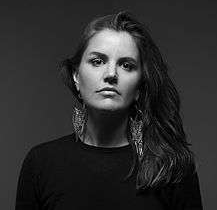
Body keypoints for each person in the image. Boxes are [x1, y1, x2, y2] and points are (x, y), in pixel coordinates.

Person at [15, 11, 203, 210]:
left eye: (126, 65)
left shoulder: (172, 167)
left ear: (139, 86)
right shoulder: (41, 163)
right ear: (76, 76)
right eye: (97, 61)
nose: (111, 74)